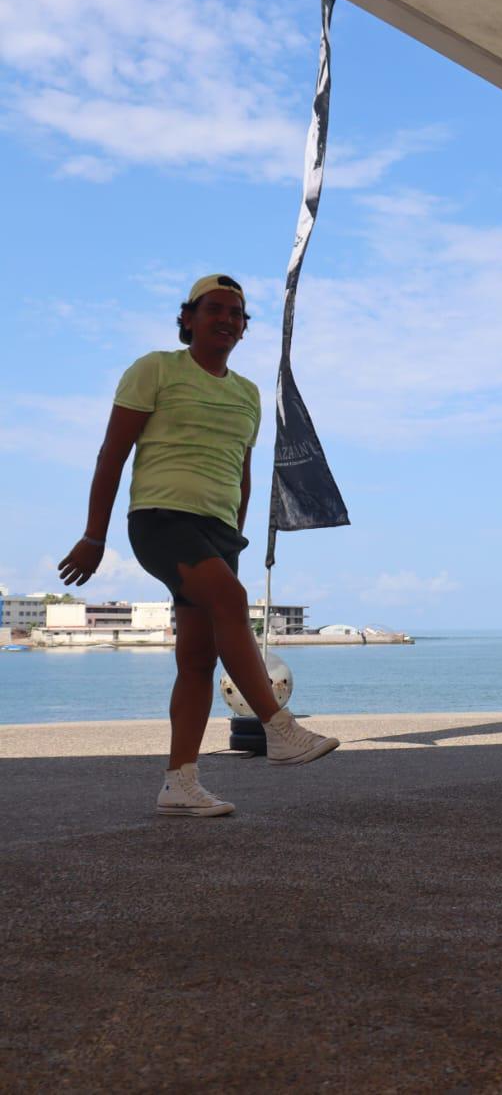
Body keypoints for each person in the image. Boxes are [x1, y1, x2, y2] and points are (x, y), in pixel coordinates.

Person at [57, 275, 338, 818]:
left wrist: (234, 536)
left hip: (217, 532)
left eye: (237, 314)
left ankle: (179, 783)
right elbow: (111, 455)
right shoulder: (156, 369)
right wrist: (95, 536)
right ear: (188, 318)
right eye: (215, 310)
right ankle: (280, 730)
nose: (228, 319)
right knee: (232, 603)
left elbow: (242, 472)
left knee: (196, 661)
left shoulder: (247, 394)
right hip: (162, 519)